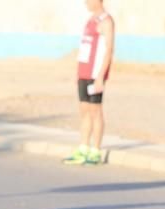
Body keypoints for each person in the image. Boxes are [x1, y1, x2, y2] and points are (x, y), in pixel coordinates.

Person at [63, 0, 115, 166]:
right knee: (84, 111)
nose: (85, 2)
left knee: (96, 111)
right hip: (84, 73)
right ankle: (84, 147)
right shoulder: (90, 20)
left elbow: (109, 49)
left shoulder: (106, 21)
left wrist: (100, 76)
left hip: (95, 74)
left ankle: (96, 150)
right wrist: (78, 72)